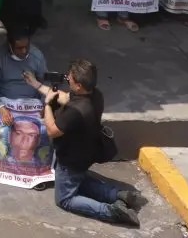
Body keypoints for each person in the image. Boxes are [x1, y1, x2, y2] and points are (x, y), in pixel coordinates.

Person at [42, 58, 145, 227]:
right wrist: (37, 84)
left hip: (71, 159)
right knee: (78, 180)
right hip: (87, 153)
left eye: (70, 79)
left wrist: (47, 105)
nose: (67, 80)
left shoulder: (74, 111)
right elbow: (66, 98)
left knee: (65, 199)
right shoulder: (96, 96)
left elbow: (52, 131)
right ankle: (118, 195)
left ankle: (111, 211)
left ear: (79, 86)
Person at [0, 25, 49, 101]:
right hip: (6, 102)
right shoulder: (0, 58)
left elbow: (46, 81)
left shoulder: (37, 56)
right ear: (10, 46)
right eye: (19, 48)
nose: (24, 51)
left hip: (33, 102)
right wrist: (0, 105)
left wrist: (44, 103)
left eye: (27, 47)